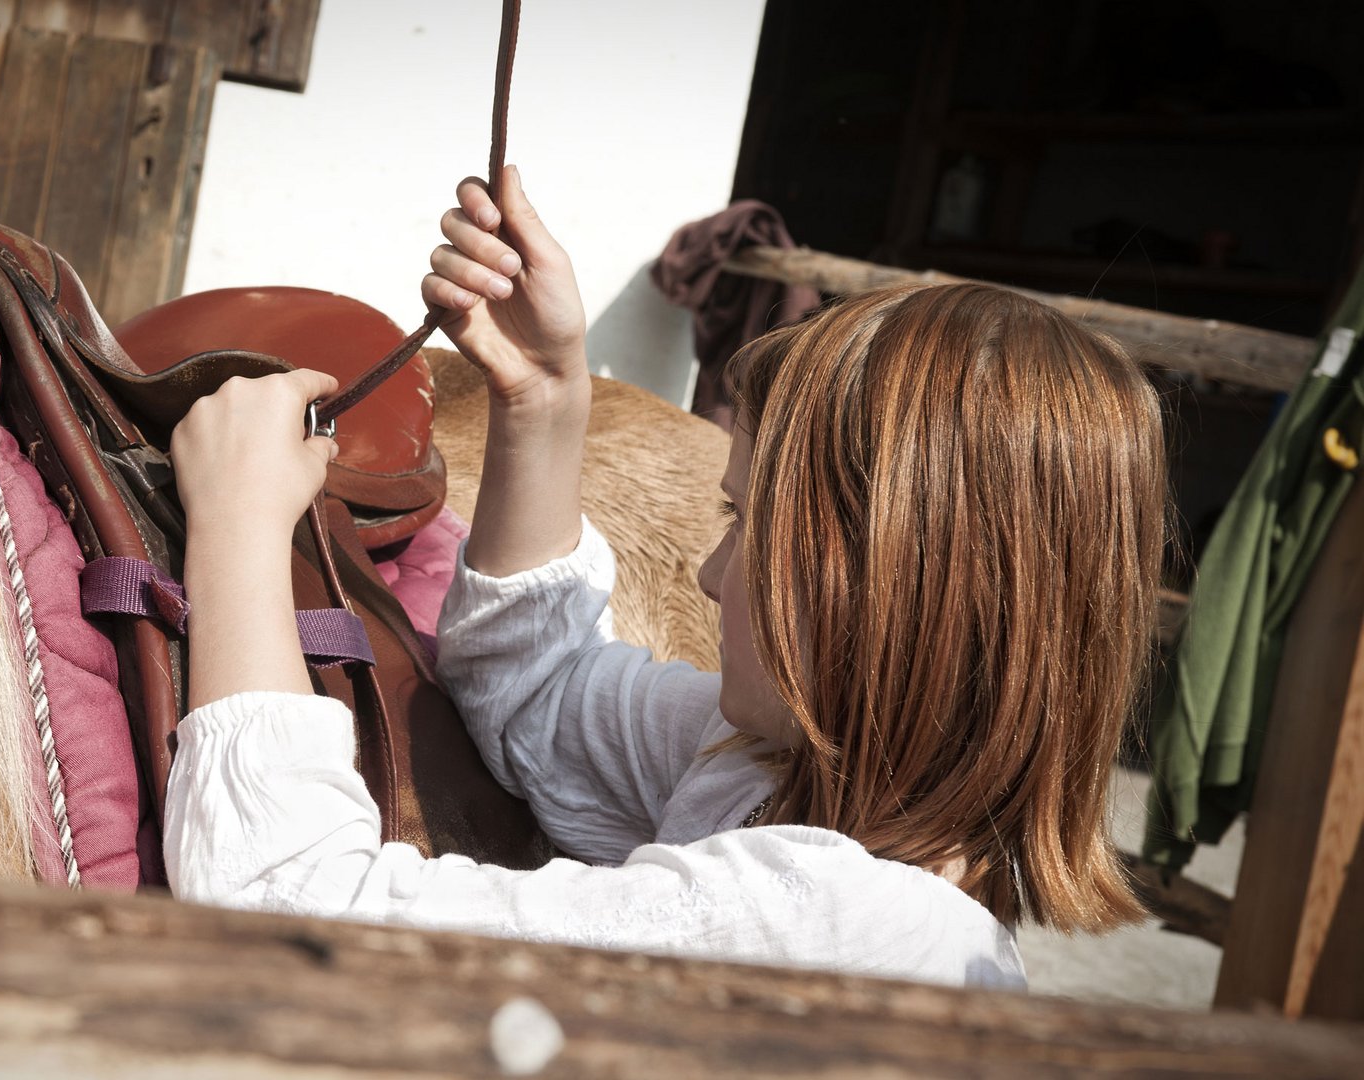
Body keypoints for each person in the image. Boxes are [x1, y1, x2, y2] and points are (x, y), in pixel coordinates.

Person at [163, 167, 1167, 989]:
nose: (710, 575)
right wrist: (545, 398)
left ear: (885, 599)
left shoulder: (835, 935)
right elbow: (537, 696)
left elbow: (283, 909)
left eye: (749, 529)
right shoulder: (777, 773)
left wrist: (240, 530)